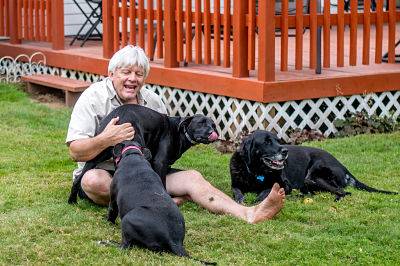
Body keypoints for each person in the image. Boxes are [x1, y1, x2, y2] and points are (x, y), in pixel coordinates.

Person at [66, 45, 285, 224]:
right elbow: (75, 151)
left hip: (146, 173)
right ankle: (161, 201)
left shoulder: (153, 102)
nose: (133, 79)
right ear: (111, 73)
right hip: (104, 172)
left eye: (139, 74)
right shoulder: (93, 98)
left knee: (193, 178)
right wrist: (107, 138)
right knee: (94, 181)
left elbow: (165, 148)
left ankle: (248, 213)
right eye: (126, 72)